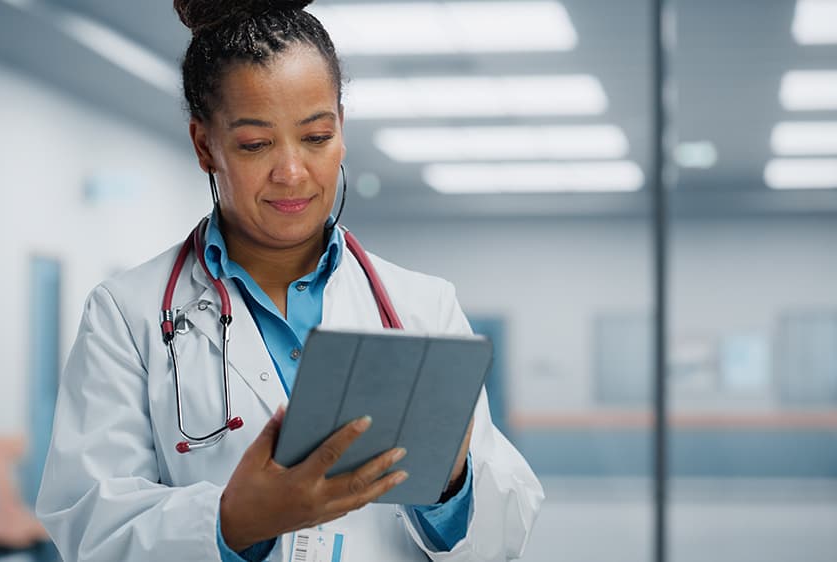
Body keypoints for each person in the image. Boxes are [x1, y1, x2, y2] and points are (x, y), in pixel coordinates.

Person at [35, 1, 544, 560]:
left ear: (342, 130)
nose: (292, 172)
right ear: (206, 145)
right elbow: (89, 524)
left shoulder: (423, 307)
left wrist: (452, 489)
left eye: (317, 137)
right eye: (256, 144)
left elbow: (505, 531)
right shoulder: (126, 315)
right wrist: (233, 523)